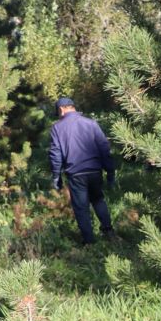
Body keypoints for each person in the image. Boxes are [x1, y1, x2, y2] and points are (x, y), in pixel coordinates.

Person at [47, 97, 117, 244]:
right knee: (98, 200)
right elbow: (104, 147)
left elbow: (56, 155)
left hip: (76, 173)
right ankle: (108, 231)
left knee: (81, 208)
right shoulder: (91, 123)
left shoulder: (57, 128)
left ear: (61, 109)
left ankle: (89, 242)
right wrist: (110, 171)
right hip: (94, 171)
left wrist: (56, 177)